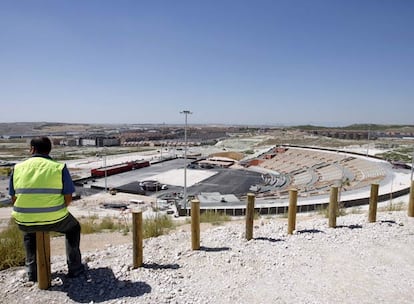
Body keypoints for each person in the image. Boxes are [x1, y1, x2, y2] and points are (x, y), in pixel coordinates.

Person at [9, 137, 84, 281]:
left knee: (29, 232)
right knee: (73, 228)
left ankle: (32, 272)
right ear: (50, 149)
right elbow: (68, 197)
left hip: (25, 219)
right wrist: (56, 210)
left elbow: (13, 198)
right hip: (55, 218)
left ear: (32, 149)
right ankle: (75, 269)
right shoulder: (59, 167)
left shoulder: (18, 168)